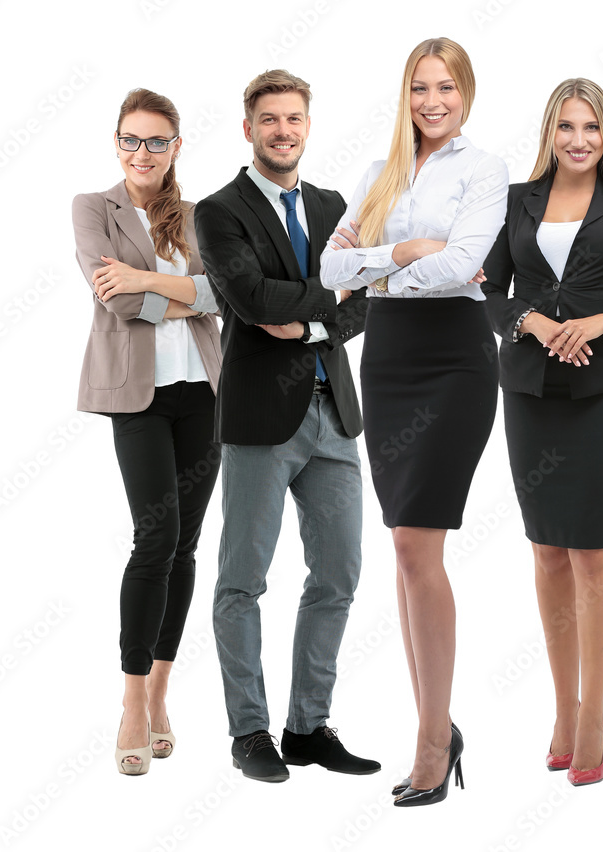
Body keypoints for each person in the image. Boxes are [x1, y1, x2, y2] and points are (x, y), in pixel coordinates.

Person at [320, 37, 508, 807]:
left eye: (447, 89)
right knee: (403, 549)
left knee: (415, 545)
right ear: (405, 94)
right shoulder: (375, 172)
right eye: (421, 88)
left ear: (466, 94)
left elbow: (463, 265)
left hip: (457, 359)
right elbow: (329, 273)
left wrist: (377, 262)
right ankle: (437, 725)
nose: (433, 102)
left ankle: (434, 738)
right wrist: (402, 250)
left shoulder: (485, 169)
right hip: (390, 358)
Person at [482, 79, 603, 787]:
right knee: (547, 552)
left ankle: (594, 713)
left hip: (600, 391)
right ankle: (563, 709)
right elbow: (488, 293)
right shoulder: (515, 201)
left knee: (593, 551)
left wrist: (601, 322)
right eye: (566, 126)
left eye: (591, 126)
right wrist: (530, 322)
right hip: (530, 391)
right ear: (549, 133)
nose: (579, 139)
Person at [193, 69, 377, 784]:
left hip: (336, 414)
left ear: (308, 123)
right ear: (248, 129)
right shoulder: (221, 211)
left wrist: (303, 317)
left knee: (338, 574)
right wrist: (327, 301)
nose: (282, 131)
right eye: (269, 120)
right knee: (243, 578)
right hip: (261, 420)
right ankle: (250, 732)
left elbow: (362, 302)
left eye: (293, 118)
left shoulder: (334, 204)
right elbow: (246, 294)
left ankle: (307, 727)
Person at [72, 88, 222, 775]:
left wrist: (167, 286)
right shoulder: (92, 209)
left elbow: (226, 297)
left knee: (186, 544)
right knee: (154, 536)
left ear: (176, 147)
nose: (143, 152)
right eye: (131, 139)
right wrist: (176, 292)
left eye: (157, 141)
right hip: (137, 397)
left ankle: (162, 691)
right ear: (117, 142)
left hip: (206, 393)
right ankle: (132, 701)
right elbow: (119, 298)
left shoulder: (198, 216)